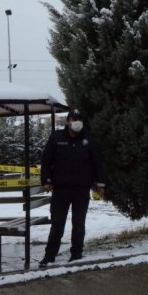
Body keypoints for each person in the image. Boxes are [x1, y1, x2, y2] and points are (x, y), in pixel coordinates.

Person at [39, 109, 106, 266]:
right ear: (68, 121)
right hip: (61, 188)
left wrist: (100, 184)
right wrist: (46, 181)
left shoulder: (88, 139)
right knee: (57, 224)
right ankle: (49, 256)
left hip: (81, 189)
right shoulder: (57, 137)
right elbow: (46, 160)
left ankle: (76, 254)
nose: (77, 122)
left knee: (79, 223)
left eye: (80, 119)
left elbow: (97, 162)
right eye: (74, 119)